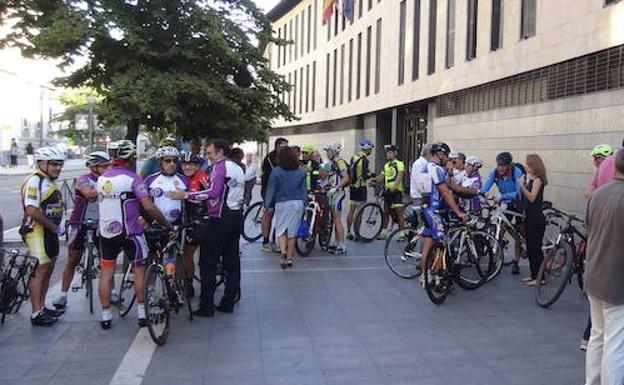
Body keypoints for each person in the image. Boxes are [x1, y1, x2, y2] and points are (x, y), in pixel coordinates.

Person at [97, 140, 169, 329]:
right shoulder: (133, 179)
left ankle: (105, 316)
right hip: (131, 233)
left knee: (106, 273)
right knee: (139, 271)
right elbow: (148, 206)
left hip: (106, 233)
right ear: (129, 158)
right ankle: (142, 314)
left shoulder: (102, 178)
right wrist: (165, 222)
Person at [169, 139, 245, 316]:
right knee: (232, 260)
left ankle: (206, 305)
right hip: (236, 216)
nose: (208, 157)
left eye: (210, 153)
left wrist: (186, 195)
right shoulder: (237, 168)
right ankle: (228, 302)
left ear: (220, 152)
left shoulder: (220, 167)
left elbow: (213, 192)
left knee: (207, 262)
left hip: (219, 217)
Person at [584, 148, 624, 385]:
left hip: (594, 277)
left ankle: (591, 382)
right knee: (615, 343)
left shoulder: (598, 194)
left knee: (598, 336)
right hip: (616, 284)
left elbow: (590, 229)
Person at [53, 151, 111, 311]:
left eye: (109, 165)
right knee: (73, 259)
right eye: (104, 166)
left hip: (102, 223)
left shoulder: (109, 179)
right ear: (93, 167)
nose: (108, 168)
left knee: (106, 260)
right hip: (80, 222)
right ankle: (63, 295)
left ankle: (111, 291)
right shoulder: (83, 179)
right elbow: (89, 193)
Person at [19, 147, 66, 326]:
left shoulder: (47, 180)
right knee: (40, 269)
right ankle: (36, 313)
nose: (58, 168)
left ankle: (42, 306)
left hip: (49, 231)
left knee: (49, 267)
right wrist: (53, 227)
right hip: (37, 232)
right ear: (41, 163)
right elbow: (31, 210)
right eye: (54, 164)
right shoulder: (34, 181)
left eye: (60, 165)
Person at [416, 142, 468, 278]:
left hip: (426, 210)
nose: (448, 159)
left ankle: (424, 275)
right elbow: (445, 192)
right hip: (436, 212)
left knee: (428, 243)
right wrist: (458, 212)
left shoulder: (425, 168)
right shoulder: (436, 169)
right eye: (447, 156)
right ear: (440, 154)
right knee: (441, 244)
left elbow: (424, 191)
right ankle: (438, 276)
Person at [479, 151, 525, 274]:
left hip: (519, 203)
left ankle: (516, 261)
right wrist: (482, 196)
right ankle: (495, 262)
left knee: (520, 233)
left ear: (508, 165)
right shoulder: (494, 173)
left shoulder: (517, 172)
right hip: (505, 203)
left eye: (503, 165)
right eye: (499, 165)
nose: (500, 168)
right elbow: (484, 189)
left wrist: (501, 196)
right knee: (500, 230)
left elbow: (519, 192)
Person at [144, 146, 189, 270]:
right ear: (160, 162)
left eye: (175, 161)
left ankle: (173, 281)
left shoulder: (183, 180)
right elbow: (143, 203)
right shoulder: (150, 180)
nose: (172, 164)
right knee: (152, 256)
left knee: (173, 257)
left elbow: (189, 203)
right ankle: (151, 285)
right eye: (168, 161)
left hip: (176, 224)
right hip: (155, 224)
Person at [264, 147, 307, 269]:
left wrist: (267, 204)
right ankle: (289, 258)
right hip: (297, 203)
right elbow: (303, 189)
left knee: (281, 229)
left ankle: (283, 252)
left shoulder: (276, 171)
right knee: (292, 232)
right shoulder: (300, 171)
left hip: (281, 203)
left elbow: (271, 189)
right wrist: (305, 202)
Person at [179, 152, 210, 297]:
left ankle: (190, 282)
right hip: (185, 219)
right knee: (184, 253)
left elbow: (211, 197)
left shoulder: (202, 178)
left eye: (191, 164)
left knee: (191, 254)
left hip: (200, 219)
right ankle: (185, 281)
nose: (187, 167)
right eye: (184, 164)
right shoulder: (181, 178)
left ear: (197, 166)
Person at [518, 154, 547, 286]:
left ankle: (540, 277)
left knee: (536, 248)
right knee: (530, 247)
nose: (525, 166)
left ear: (533, 165)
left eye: (527, 164)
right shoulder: (532, 179)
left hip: (536, 218)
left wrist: (522, 186)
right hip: (530, 217)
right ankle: (534, 274)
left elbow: (532, 198)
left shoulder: (538, 180)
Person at [260, 137, 289, 252]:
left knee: (281, 215)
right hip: (269, 190)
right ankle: (265, 241)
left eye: (287, 147)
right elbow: (279, 171)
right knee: (269, 213)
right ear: (277, 146)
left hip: (280, 191)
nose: (285, 149)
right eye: (283, 147)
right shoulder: (271, 158)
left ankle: (278, 241)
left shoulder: (285, 157)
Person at [374, 145, 406, 240]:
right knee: (386, 212)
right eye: (387, 153)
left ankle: (402, 233)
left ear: (395, 153)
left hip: (396, 192)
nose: (388, 154)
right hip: (387, 192)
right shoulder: (386, 165)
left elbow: (400, 176)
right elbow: (381, 177)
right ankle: (384, 233)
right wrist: (373, 181)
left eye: (390, 153)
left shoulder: (399, 163)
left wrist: (395, 186)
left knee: (399, 213)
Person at [323, 143, 350, 254]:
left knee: (337, 219)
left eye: (328, 151)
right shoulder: (332, 163)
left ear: (334, 152)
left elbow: (346, 178)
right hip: (333, 193)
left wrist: (336, 188)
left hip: (338, 194)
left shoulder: (340, 162)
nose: (327, 153)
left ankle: (342, 245)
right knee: (334, 219)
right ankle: (335, 242)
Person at [346, 140, 374, 241]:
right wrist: (371, 176)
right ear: (368, 149)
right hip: (361, 187)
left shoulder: (354, 156)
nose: (371, 151)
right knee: (360, 211)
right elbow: (364, 176)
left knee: (351, 210)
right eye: (371, 149)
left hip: (353, 186)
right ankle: (357, 233)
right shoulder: (364, 160)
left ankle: (349, 232)